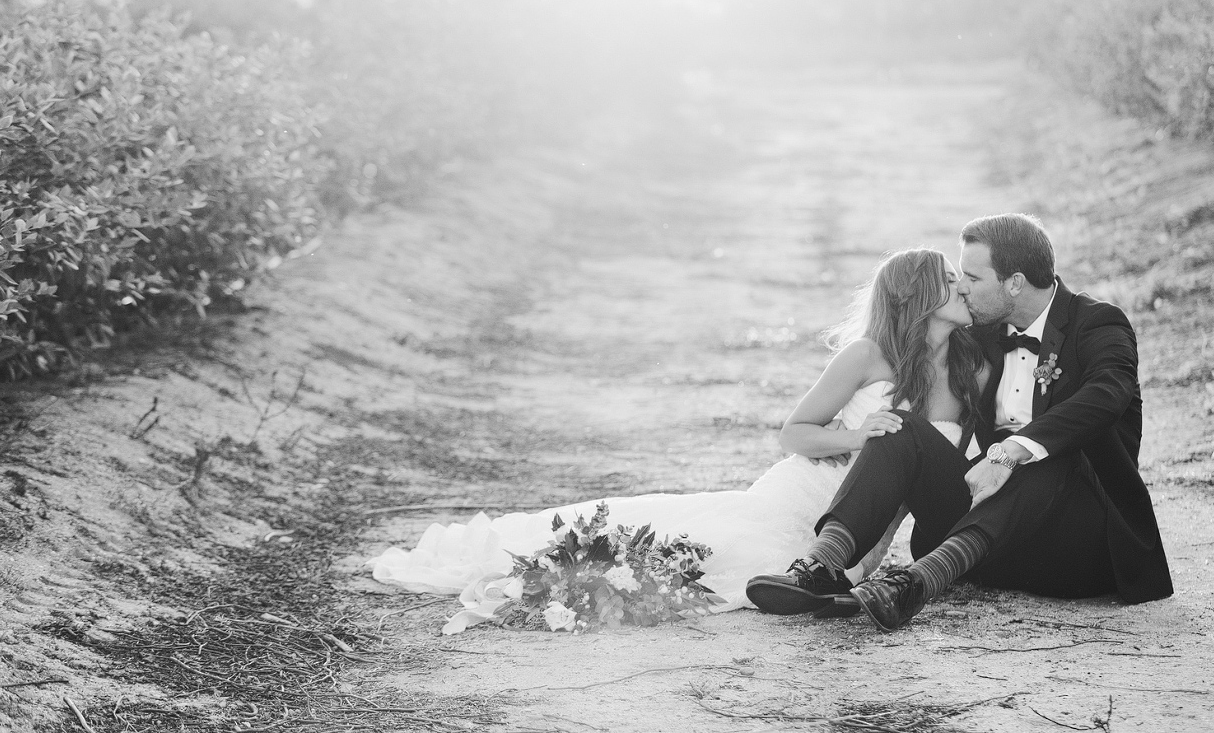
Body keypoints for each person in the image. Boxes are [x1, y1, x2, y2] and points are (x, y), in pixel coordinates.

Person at [367, 248, 981, 631]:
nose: (963, 288)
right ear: (921, 296)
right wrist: (856, 432)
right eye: (951, 281)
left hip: (883, 519)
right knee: (710, 553)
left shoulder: (970, 368)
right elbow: (793, 432)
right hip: (809, 490)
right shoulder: (867, 355)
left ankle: (828, 573)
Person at [746, 213, 1174, 629]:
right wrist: (855, 426)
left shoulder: (1097, 324)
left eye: (971, 277)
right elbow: (913, 343)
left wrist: (1011, 450)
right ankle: (822, 567)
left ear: (1014, 283)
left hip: (1074, 545)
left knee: (1044, 456)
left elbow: (1108, 395)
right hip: (984, 545)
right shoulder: (980, 336)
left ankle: (915, 584)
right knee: (901, 426)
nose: (961, 289)